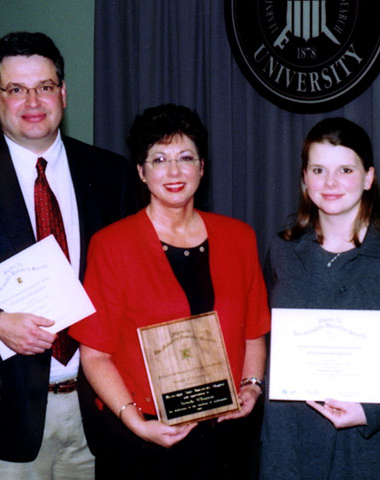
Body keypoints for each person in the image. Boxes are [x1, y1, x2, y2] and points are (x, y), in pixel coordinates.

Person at [0, 31, 138, 479]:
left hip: (97, 414)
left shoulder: (110, 173)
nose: (33, 101)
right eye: (16, 89)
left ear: (64, 94)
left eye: (45, 86)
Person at [69, 104, 271, 479]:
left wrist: (252, 387)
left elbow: (254, 330)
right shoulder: (111, 245)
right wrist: (136, 422)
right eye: (159, 159)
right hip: (145, 437)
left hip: (225, 435)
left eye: (186, 158)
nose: (174, 171)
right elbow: (95, 354)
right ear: (142, 173)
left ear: (202, 167)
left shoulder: (239, 237)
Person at [260, 117, 380, 480]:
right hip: (291, 440)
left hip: (370, 442)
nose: (330, 183)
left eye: (345, 169)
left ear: (368, 177)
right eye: (318, 169)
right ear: (304, 178)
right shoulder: (282, 249)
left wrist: (368, 410)